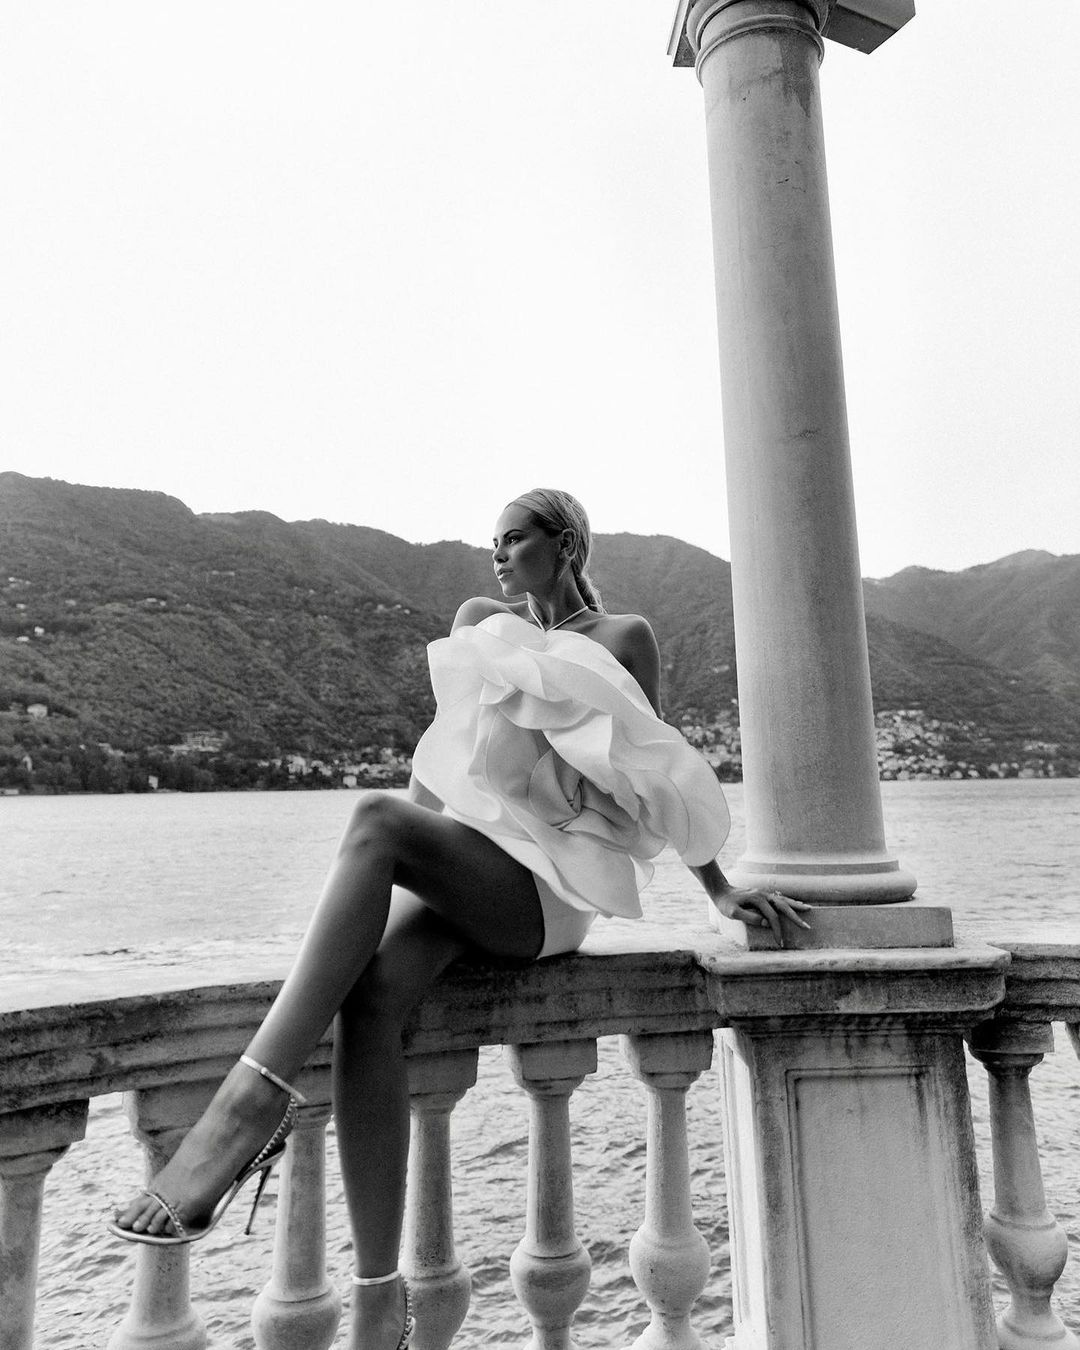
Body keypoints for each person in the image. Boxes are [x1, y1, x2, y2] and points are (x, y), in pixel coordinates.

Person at [110, 487, 810, 1350]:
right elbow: (438, 767)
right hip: (473, 867)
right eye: (495, 542)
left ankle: (247, 1110)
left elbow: (657, 773)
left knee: (374, 820)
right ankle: (380, 1300)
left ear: (565, 544)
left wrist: (719, 889)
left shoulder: (623, 638)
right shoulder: (481, 624)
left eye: (515, 539)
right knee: (371, 995)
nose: (499, 555)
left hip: (548, 892)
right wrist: (387, 887)